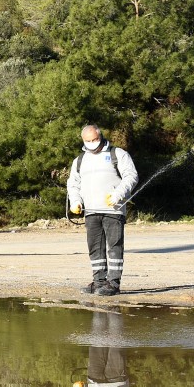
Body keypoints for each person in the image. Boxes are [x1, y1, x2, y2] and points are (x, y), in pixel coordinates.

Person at [66, 124, 138, 296]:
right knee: (95, 248)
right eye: (88, 141)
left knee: (114, 246)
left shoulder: (117, 154)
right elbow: (73, 183)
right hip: (91, 211)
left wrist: (118, 194)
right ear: (83, 141)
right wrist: (75, 201)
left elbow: (131, 176)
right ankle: (99, 282)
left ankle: (113, 283)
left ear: (101, 136)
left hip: (113, 210)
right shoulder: (80, 160)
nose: (92, 143)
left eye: (95, 139)